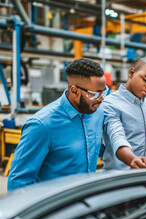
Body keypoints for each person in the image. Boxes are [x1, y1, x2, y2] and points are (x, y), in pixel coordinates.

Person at [7, 58, 107, 190]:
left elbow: (94, 147)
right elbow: (18, 180)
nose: (101, 99)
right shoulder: (42, 125)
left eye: (103, 92)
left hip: (85, 203)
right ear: (74, 90)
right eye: (94, 94)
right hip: (54, 207)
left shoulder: (96, 114)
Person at [102, 57, 146, 170]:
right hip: (120, 180)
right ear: (132, 73)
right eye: (145, 79)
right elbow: (117, 137)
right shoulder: (110, 104)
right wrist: (133, 159)